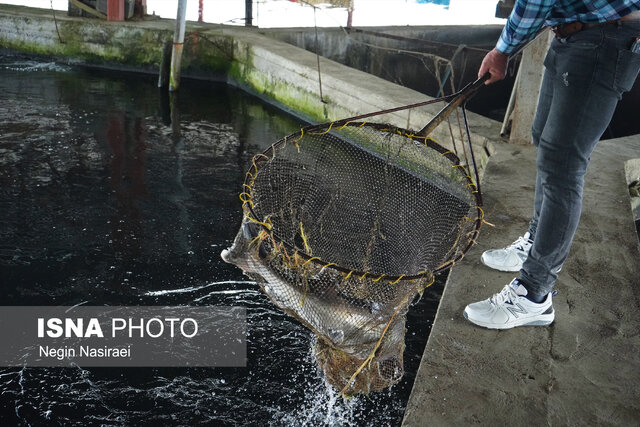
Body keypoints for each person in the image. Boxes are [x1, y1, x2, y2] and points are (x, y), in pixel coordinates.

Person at [463, 0, 640, 330]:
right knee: (543, 136)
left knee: (564, 166)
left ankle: (534, 294)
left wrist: (503, 51)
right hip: (571, 36)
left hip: (603, 41)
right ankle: (535, 241)